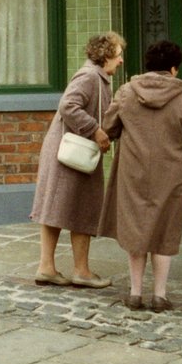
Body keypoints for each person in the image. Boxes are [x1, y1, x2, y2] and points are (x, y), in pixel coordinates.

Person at [99, 40, 182, 311]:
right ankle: (160, 295)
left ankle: (135, 293)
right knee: (164, 231)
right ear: (173, 69)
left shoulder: (126, 92)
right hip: (168, 174)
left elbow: (108, 127)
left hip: (132, 173)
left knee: (136, 229)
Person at [29, 31, 124, 290]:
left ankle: (47, 267)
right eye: (118, 54)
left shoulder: (97, 77)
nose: (121, 60)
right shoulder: (90, 76)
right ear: (106, 54)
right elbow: (68, 105)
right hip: (71, 154)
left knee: (60, 208)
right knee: (80, 207)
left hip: (68, 151)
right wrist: (95, 129)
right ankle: (79, 271)